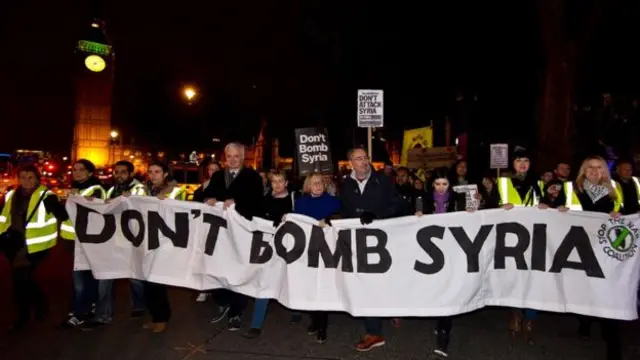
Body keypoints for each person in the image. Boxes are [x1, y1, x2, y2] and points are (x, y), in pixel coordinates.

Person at [339, 147, 406, 352]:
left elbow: (397, 204)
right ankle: (374, 332)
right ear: (351, 162)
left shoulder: (382, 181)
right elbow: (344, 211)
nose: (363, 161)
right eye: (358, 158)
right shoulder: (346, 184)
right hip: (359, 242)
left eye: (365, 157)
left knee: (384, 280)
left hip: (382, 239)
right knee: (367, 283)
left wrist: (377, 215)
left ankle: (392, 309)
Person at [561, 156, 622, 360]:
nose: (595, 171)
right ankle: (585, 323)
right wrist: (558, 209)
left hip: (608, 249)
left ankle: (611, 336)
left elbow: (631, 213)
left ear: (605, 171)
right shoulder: (572, 189)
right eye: (590, 168)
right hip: (580, 248)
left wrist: (620, 215)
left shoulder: (616, 190)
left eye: (599, 168)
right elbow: (554, 207)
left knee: (609, 293)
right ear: (583, 171)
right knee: (585, 289)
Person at [203, 142, 264, 331]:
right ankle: (223, 301)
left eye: (236, 156)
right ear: (225, 157)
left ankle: (236, 312)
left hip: (241, 233)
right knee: (218, 269)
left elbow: (257, 201)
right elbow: (207, 194)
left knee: (239, 271)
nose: (232, 160)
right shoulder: (219, 175)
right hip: (220, 234)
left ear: (243, 157)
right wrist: (208, 199)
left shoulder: (252, 176)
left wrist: (236, 202)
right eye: (229, 156)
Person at [0, 165, 68, 331]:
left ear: (37, 178)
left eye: (30, 177)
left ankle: (23, 317)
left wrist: (63, 203)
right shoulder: (11, 194)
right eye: (23, 177)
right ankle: (40, 305)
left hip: (36, 246)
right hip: (13, 244)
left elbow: (63, 216)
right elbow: (4, 216)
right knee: (24, 279)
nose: (26, 181)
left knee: (20, 280)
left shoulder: (47, 195)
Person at [81, 160, 147, 330]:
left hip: (132, 241)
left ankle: (140, 305)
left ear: (131, 174)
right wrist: (92, 201)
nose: (119, 175)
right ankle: (103, 315)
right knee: (105, 276)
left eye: (123, 172)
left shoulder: (138, 189)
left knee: (135, 278)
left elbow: (140, 206)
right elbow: (104, 208)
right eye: (116, 172)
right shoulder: (110, 190)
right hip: (112, 240)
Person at [416, 168, 468, 358]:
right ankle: (440, 322)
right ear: (432, 185)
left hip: (453, 252)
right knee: (438, 289)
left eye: (444, 184)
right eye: (437, 184)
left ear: (450, 185)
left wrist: (470, 214)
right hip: (431, 254)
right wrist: (417, 214)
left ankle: (444, 332)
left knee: (449, 290)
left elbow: (470, 220)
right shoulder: (423, 199)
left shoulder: (458, 200)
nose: (441, 188)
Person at [244, 170, 300, 338]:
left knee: (290, 278)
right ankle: (256, 325)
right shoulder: (264, 201)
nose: (277, 184)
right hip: (269, 247)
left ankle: (295, 308)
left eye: (280, 180)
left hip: (290, 246)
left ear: (286, 183)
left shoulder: (295, 200)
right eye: (273, 181)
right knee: (266, 282)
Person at [496, 148, 542, 344]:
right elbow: (489, 206)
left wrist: (550, 206)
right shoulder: (503, 182)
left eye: (526, 160)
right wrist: (499, 208)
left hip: (535, 238)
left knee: (534, 279)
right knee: (515, 278)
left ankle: (530, 321)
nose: (522, 164)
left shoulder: (539, 184)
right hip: (510, 239)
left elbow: (553, 204)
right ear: (512, 164)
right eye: (518, 160)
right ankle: (515, 315)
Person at [293, 172, 341, 344]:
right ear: (308, 185)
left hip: (328, 252)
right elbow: (298, 223)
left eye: (320, 182)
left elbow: (340, 220)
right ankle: (314, 320)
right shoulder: (301, 202)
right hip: (309, 250)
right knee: (311, 286)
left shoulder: (333, 201)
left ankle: (322, 326)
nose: (318, 186)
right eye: (314, 183)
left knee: (324, 287)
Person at [59, 159, 105, 329]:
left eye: (81, 170)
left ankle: (79, 313)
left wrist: (75, 197)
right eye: (74, 169)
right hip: (72, 241)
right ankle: (84, 308)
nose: (77, 172)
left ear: (90, 173)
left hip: (86, 242)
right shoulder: (75, 189)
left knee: (82, 280)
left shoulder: (95, 189)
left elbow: (92, 211)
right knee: (81, 279)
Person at [142, 161, 185, 333]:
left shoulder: (176, 191)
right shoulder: (143, 190)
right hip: (146, 241)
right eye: (150, 172)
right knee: (146, 280)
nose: (153, 175)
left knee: (156, 282)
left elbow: (181, 211)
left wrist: (165, 202)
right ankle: (155, 316)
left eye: (157, 172)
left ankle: (162, 318)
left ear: (165, 174)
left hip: (165, 241)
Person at [192, 159, 222, 303]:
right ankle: (203, 289)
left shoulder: (226, 186)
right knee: (202, 257)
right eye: (211, 169)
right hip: (203, 225)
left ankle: (215, 288)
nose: (213, 172)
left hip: (218, 227)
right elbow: (195, 201)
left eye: (216, 169)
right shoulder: (203, 185)